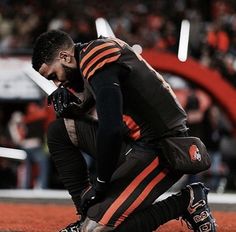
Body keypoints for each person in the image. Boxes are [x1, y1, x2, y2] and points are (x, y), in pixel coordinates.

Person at [32, 30, 216, 232]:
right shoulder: (90, 57)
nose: (56, 83)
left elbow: (111, 128)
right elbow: (97, 105)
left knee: (95, 231)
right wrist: (72, 103)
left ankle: (184, 202)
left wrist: (100, 184)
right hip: (137, 146)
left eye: (54, 75)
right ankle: (86, 215)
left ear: (65, 57)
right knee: (59, 130)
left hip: (161, 148)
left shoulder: (96, 55)